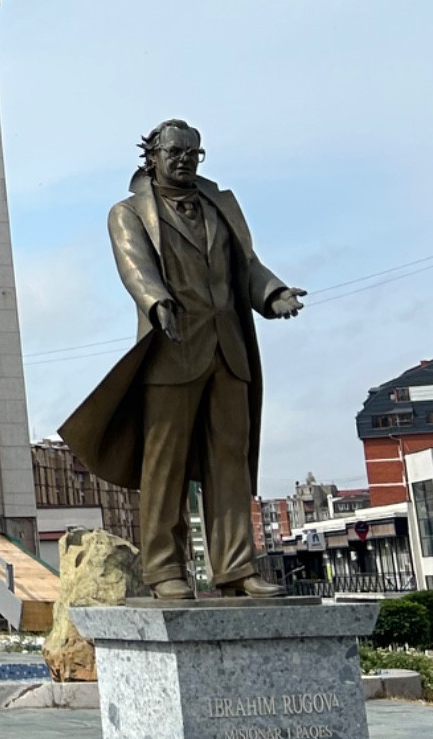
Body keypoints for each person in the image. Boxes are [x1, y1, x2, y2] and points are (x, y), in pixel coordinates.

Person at [61, 120, 305, 601]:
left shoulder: (220, 207)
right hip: (171, 350)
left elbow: (246, 265)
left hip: (227, 349)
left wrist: (272, 292)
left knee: (229, 461)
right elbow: (135, 266)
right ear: (150, 156)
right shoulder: (129, 212)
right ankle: (163, 568)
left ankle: (236, 568)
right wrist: (155, 302)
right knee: (164, 466)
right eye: (174, 152)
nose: (184, 160)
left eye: (194, 153)